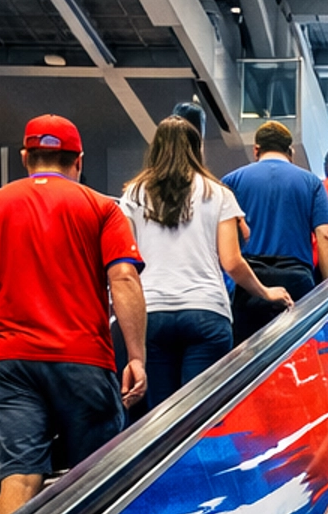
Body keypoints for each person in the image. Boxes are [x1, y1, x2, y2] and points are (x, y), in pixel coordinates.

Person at [0, 114, 146, 514]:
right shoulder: (102, 208)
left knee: (19, 476)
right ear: (79, 162)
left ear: (25, 157)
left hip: (12, 363)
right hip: (84, 359)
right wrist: (137, 357)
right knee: (97, 476)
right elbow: (123, 276)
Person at [123, 114, 292, 412]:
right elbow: (232, 261)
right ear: (196, 149)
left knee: (160, 418)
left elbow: (126, 262)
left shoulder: (133, 195)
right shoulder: (218, 193)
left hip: (151, 313)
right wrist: (266, 292)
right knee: (200, 418)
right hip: (206, 312)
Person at [223, 121, 328, 345]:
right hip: (297, 281)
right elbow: (326, 234)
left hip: (249, 283)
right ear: (291, 151)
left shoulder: (231, 181)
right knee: (297, 355)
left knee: (246, 363)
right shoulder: (311, 182)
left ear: (256, 150)